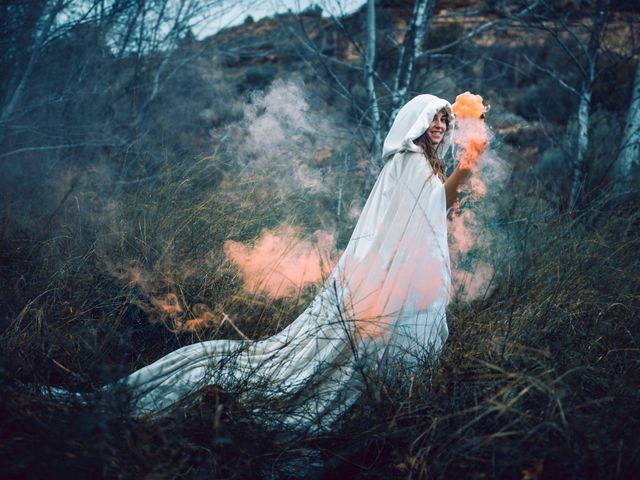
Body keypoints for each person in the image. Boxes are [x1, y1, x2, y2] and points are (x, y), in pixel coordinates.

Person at [47, 93, 485, 436]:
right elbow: (430, 207)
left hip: (395, 273)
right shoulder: (410, 161)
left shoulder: (419, 165)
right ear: (415, 123)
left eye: (445, 120)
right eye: (434, 118)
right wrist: (466, 167)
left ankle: (391, 410)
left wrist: (461, 168)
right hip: (390, 277)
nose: (440, 126)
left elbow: (428, 209)